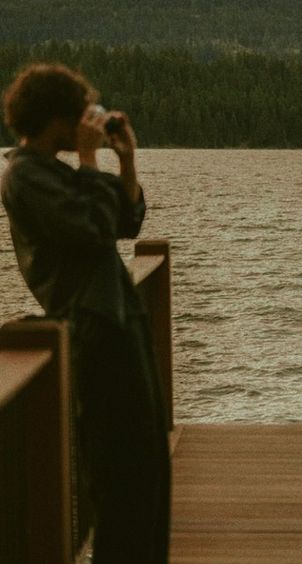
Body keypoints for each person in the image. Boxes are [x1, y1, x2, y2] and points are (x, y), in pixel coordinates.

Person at [1, 64, 170, 563]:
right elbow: (93, 229)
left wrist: (127, 162)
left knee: (149, 463)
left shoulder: (53, 171)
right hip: (95, 330)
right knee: (121, 473)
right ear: (56, 118)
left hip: (118, 321)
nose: (86, 125)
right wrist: (92, 160)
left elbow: (124, 222)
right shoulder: (26, 175)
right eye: (80, 116)